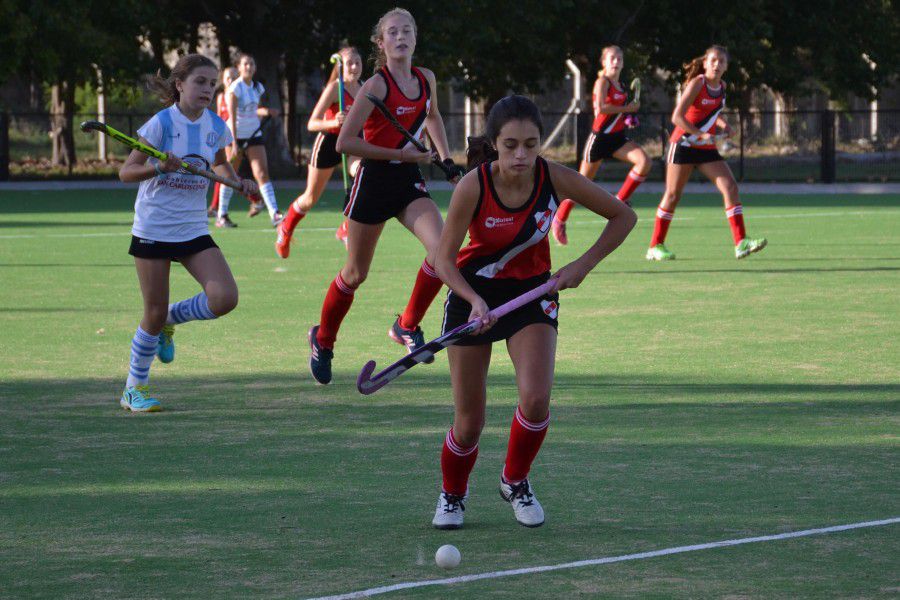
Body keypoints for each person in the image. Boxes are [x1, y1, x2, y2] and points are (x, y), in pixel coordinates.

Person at [430, 95, 636, 529]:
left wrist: (581, 265)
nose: (521, 155)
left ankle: (515, 480)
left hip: (533, 293)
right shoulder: (474, 186)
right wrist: (474, 300)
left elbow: (623, 216)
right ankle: (453, 494)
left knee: (537, 399)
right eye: (510, 145)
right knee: (469, 422)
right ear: (494, 144)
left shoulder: (553, 177)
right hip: (474, 294)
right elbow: (443, 262)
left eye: (530, 144)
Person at [307, 7, 464, 384]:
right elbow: (345, 142)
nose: (400, 36)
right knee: (355, 273)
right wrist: (400, 154)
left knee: (443, 251)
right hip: (374, 180)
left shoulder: (426, 78)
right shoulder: (374, 86)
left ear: (415, 38)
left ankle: (407, 325)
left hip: (407, 179)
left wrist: (446, 159)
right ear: (381, 42)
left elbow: (433, 117)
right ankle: (323, 339)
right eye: (392, 32)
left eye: (407, 30)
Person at [117, 54, 257, 412]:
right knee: (152, 310)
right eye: (200, 82)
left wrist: (237, 182)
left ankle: (170, 320)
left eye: (212, 84)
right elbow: (126, 172)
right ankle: (134, 388)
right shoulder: (161, 123)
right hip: (154, 227)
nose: (208, 89)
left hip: (193, 228)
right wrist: (157, 167)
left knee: (224, 297)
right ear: (180, 85)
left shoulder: (215, 125)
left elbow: (220, 162)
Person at [647, 45, 767, 260]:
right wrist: (700, 134)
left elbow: (712, 113)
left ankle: (741, 242)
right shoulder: (698, 83)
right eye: (712, 60)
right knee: (673, 195)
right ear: (705, 63)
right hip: (683, 145)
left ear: (726, 66)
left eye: (721, 61)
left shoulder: (721, 87)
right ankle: (655, 246)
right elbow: (677, 117)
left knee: (730, 186)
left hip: (705, 148)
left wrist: (724, 126)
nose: (716, 64)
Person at [552, 45, 648, 245]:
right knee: (579, 187)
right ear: (604, 62)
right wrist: (626, 108)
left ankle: (620, 201)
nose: (616, 61)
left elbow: (619, 112)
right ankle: (560, 219)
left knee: (644, 162)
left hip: (617, 139)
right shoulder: (602, 82)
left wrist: (629, 116)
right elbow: (601, 108)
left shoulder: (621, 85)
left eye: (619, 58)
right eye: (612, 58)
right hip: (599, 139)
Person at [276, 47, 363, 258]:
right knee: (310, 198)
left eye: (358, 62)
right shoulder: (335, 88)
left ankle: (346, 228)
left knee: (364, 174)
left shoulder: (365, 88)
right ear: (340, 66)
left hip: (351, 143)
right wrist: (335, 120)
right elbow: (312, 123)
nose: (354, 67)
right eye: (349, 63)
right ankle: (285, 227)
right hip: (329, 142)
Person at [218, 53, 283, 227]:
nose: (249, 67)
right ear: (239, 67)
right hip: (235, 136)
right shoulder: (235, 88)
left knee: (262, 173)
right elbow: (231, 117)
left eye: (251, 64)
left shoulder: (257, 87)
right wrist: (234, 144)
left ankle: (274, 214)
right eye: (245, 64)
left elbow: (255, 110)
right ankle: (222, 215)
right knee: (230, 176)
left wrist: (268, 112)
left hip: (254, 135)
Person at [208, 66, 238, 220]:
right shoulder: (221, 96)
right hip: (227, 138)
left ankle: (215, 208)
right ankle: (215, 207)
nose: (231, 80)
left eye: (234, 77)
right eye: (228, 78)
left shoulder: (240, 94)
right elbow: (220, 117)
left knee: (228, 173)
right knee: (224, 171)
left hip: (239, 136)